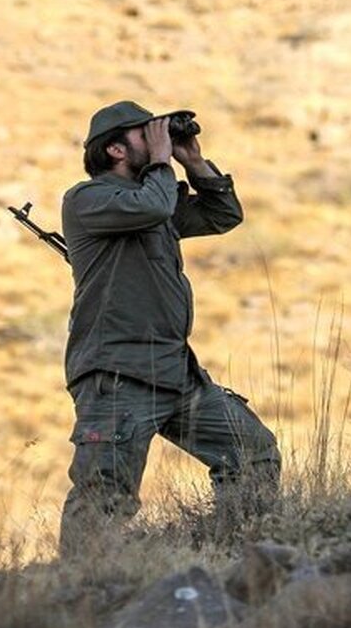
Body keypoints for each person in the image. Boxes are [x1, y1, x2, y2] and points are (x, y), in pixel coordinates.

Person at [58, 101, 282, 555]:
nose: (159, 139)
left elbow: (223, 215)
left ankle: (234, 554)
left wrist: (193, 161)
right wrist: (162, 162)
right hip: (118, 375)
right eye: (147, 133)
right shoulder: (88, 199)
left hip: (176, 373)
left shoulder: (153, 201)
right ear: (117, 150)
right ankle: (79, 591)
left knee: (253, 452)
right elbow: (153, 207)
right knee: (104, 498)